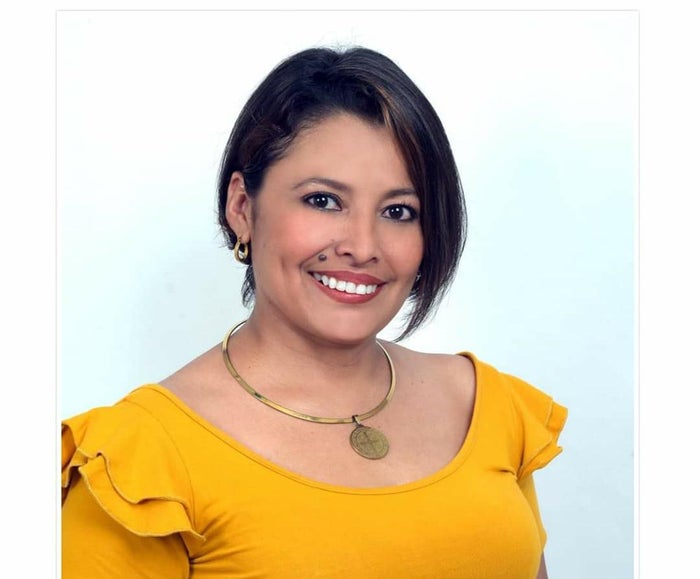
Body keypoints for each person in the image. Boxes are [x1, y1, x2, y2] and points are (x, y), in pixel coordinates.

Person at [61, 46, 567, 579]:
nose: (363, 246)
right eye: (324, 200)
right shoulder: (141, 462)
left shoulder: (484, 405)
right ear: (242, 207)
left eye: (398, 211)